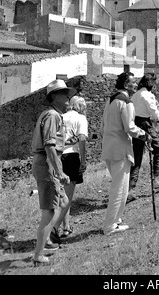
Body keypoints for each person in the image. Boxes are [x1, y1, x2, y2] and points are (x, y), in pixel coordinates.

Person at [31, 79, 76, 266]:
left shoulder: (49, 114)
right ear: (54, 97)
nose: (68, 97)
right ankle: (38, 254)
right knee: (49, 211)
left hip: (46, 161)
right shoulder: (53, 116)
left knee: (64, 201)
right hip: (48, 162)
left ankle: (48, 239)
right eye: (64, 94)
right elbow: (49, 145)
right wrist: (59, 172)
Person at [100, 71, 147, 235]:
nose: (136, 85)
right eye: (134, 82)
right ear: (127, 84)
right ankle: (109, 225)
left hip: (108, 147)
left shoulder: (110, 100)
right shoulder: (126, 102)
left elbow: (103, 126)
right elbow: (129, 127)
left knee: (121, 186)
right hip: (120, 149)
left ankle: (116, 220)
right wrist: (143, 134)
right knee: (119, 188)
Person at [127, 73, 159, 203]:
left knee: (137, 156)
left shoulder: (135, 95)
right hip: (145, 124)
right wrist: (158, 118)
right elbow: (154, 112)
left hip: (135, 123)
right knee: (158, 149)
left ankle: (130, 189)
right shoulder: (148, 95)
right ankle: (156, 179)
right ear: (151, 83)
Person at [57, 96, 88, 238]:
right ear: (81, 107)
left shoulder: (60, 117)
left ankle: (66, 226)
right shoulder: (80, 118)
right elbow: (82, 138)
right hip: (72, 156)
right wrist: (83, 159)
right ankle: (53, 229)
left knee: (61, 194)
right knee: (68, 196)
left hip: (57, 156)